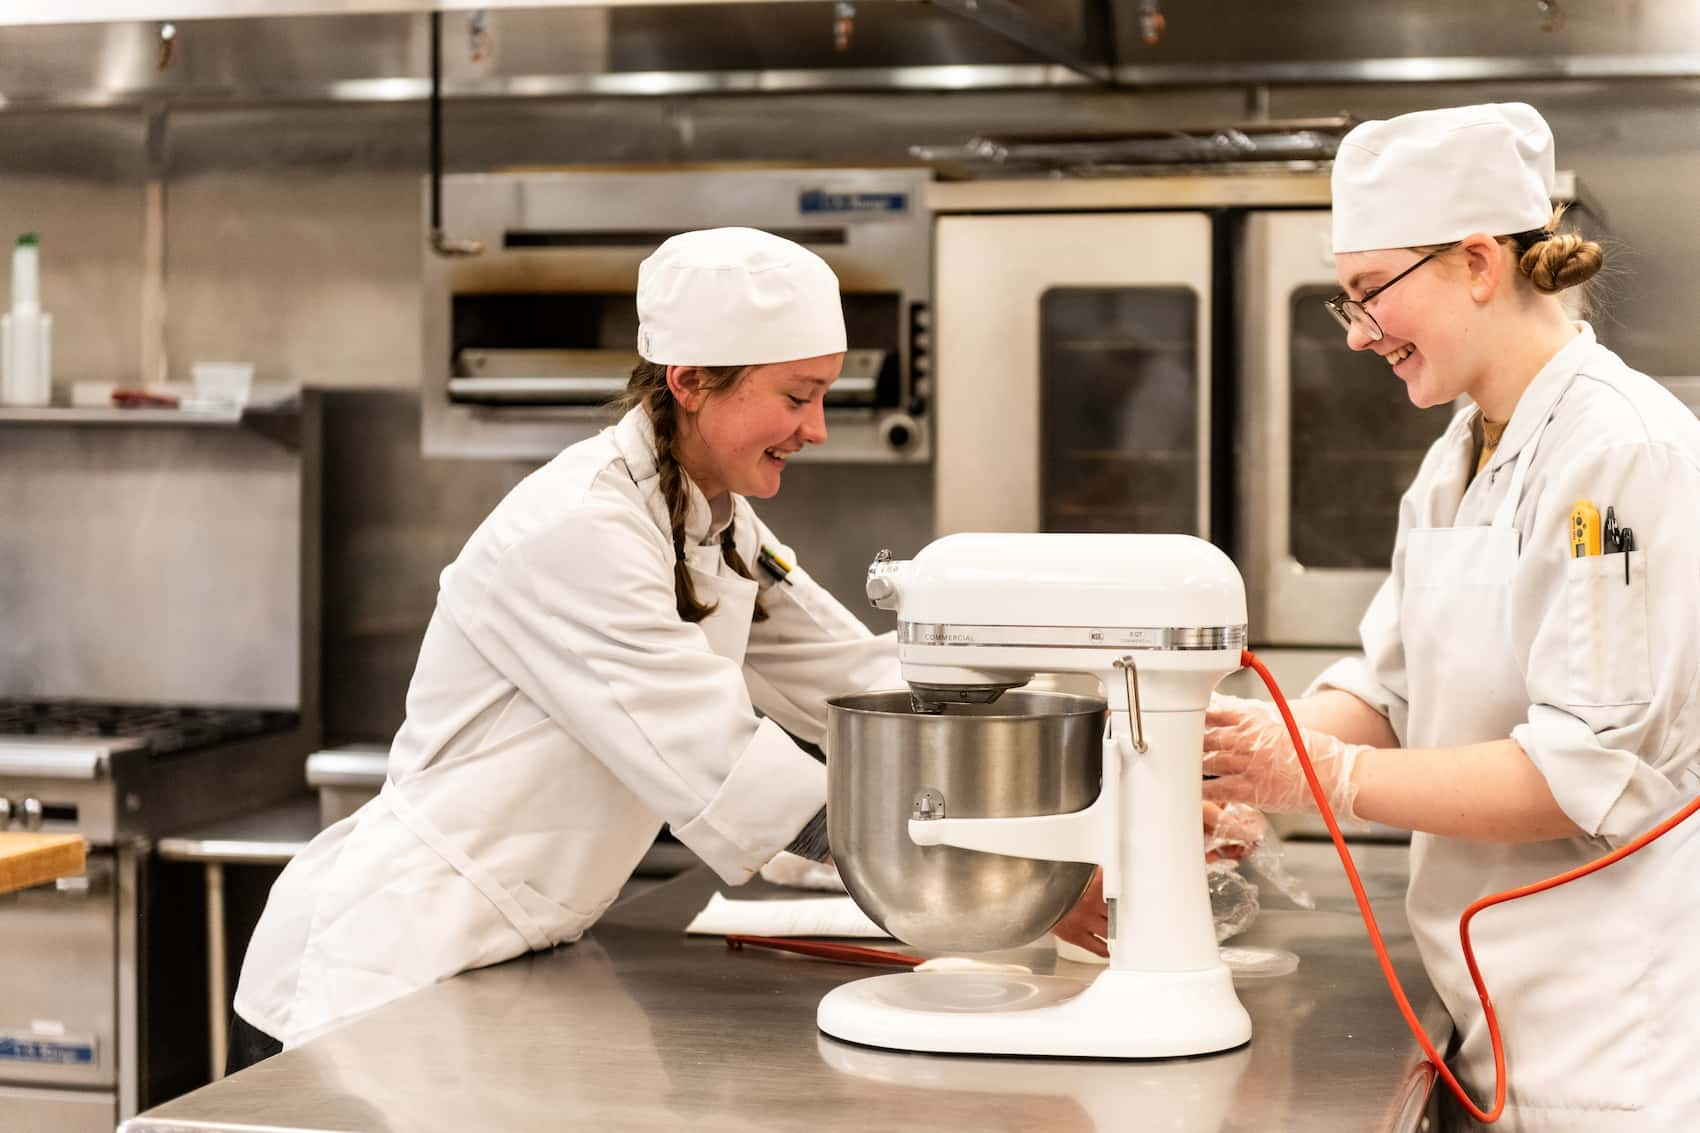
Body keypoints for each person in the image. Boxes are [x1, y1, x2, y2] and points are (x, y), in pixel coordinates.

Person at [227, 228, 1108, 1071]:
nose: (819, 428)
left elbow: (856, 678)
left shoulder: (709, 521)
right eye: (798, 397)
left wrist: (1098, 751)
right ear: (691, 381)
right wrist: (1028, 877)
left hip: (498, 963)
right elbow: (728, 769)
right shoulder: (578, 530)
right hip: (375, 974)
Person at [1203, 103, 1700, 1131]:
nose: (1353, 333)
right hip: (1489, 1008)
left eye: (1366, 293)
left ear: (1477, 262)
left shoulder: (1617, 456)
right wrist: (1250, 755)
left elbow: (1578, 770)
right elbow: (1385, 686)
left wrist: (1318, 775)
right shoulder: (1458, 452)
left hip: (1612, 1035)